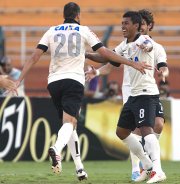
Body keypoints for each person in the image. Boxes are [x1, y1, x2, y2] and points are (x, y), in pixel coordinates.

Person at [12, 2, 151, 181]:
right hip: (73, 81)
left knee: (70, 124)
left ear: (64, 15)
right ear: (78, 15)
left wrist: (18, 80)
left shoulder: (52, 30)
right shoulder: (83, 30)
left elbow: (35, 56)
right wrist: (132, 62)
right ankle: (56, 148)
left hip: (54, 82)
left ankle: (79, 168)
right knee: (69, 123)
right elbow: (105, 53)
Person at [86, 11, 167, 183]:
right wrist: (85, 54)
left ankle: (158, 170)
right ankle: (146, 164)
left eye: (126, 23)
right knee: (121, 131)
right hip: (133, 96)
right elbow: (105, 56)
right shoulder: (124, 45)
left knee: (147, 129)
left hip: (146, 93)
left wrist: (147, 47)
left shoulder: (143, 40)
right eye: (122, 23)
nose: (123, 26)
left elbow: (149, 45)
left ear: (136, 26)